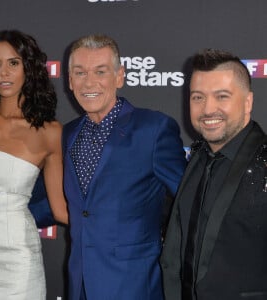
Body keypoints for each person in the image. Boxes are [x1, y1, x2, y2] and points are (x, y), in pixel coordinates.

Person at [62, 34, 187, 300]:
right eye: (80, 72)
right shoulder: (67, 135)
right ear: (70, 81)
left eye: (101, 71)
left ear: (120, 76)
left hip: (135, 286)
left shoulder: (153, 129)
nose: (89, 82)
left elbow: (189, 200)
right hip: (80, 285)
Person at [0, 30, 68, 299]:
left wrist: (121, 225)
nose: (3, 73)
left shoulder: (50, 132)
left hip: (17, 262)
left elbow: (60, 210)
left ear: (29, 68)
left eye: (13, 63)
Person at [160, 49, 267, 300]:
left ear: (248, 102)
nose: (208, 109)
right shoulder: (197, 156)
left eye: (222, 96)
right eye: (198, 97)